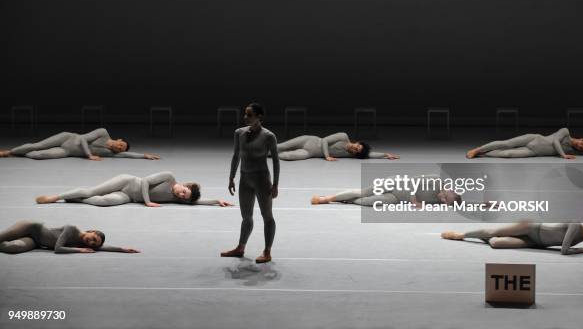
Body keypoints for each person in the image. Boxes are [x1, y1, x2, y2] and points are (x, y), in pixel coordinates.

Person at [221, 103, 279, 263]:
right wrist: (231, 177)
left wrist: (275, 184)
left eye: (249, 115)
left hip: (262, 180)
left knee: (267, 216)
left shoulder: (269, 136)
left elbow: (275, 161)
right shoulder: (239, 133)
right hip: (245, 179)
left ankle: (267, 251)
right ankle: (241, 247)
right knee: (246, 217)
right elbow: (235, 156)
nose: (245, 117)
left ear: (259, 117)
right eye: (245, 114)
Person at [35, 171, 232, 207]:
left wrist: (216, 201)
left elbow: (196, 202)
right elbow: (145, 181)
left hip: (129, 197)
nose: (181, 195)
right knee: (92, 192)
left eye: (183, 197)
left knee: (103, 202)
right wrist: (147, 202)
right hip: (128, 182)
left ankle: (75, 199)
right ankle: (54, 197)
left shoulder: (178, 198)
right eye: (183, 192)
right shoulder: (170, 178)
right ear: (186, 185)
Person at [441, 222, 583, 255]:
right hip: (531, 227)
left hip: (536, 242)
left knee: (496, 243)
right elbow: (565, 251)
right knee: (492, 231)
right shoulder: (576, 225)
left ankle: (484, 237)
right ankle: (461, 235)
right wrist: (582, 250)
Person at [0, 128, 160, 160]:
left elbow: (127, 155)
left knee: (41, 155)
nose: (119, 149)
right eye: (120, 145)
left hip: (68, 152)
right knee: (38, 146)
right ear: (119, 140)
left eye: (119, 149)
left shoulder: (111, 153)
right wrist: (89, 155)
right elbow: (83, 139)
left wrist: (144, 156)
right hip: (68, 139)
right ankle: (9, 152)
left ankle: (17, 153)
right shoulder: (103, 133)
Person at [311, 174, 462, 207]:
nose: (442, 201)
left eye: (444, 203)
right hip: (395, 184)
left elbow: (464, 204)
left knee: (369, 203)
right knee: (363, 192)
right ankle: (327, 198)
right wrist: (414, 200)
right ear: (449, 191)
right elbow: (413, 182)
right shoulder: (435, 180)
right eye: (445, 199)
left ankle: (344, 199)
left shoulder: (445, 200)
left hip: (396, 199)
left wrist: (485, 204)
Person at [0, 220, 139, 254]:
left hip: (36, 242)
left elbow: (102, 247)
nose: (90, 242)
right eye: (93, 239)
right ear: (92, 231)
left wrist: (122, 249)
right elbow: (58, 248)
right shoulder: (72, 228)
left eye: (93, 244)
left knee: (11, 248)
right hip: (30, 227)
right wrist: (80, 251)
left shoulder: (84, 243)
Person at [466, 128, 583, 159]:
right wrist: (563, 155)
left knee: (509, 154)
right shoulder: (565, 132)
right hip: (534, 139)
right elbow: (554, 141)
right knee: (507, 144)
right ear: (580, 138)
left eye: (581, 148)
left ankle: (484, 154)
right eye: (581, 144)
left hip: (535, 152)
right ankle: (478, 149)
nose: (580, 147)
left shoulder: (573, 150)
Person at [276, 132, 399, 161]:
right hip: (309, 141)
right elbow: (324, 141)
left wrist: (385, 155)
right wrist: (327, 156)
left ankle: (263, 154)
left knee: (288, 156)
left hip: (310, 153)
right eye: (357, 146)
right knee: (281, 146)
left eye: (357, 151)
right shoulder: (343, 136)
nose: (355, 149)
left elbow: (370, 154)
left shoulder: (349, 154)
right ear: (357, 142)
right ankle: (258, 149)